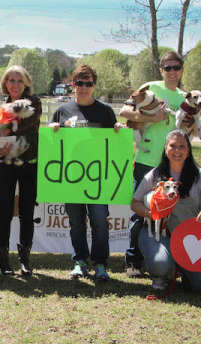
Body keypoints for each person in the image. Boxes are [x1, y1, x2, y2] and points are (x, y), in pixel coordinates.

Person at [50, 64, 125, 283]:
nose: (83, 88)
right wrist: (53, 130)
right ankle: (80, 261)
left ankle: (100, 264)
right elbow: (52, 147)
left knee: (100, 220)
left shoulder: (105, 111)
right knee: (75, 222)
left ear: (94, 85)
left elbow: (116, 144)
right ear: (73, 85)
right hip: (71, 176)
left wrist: (119, 130)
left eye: (88, 83)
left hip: (98, 179)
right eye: (79, 83)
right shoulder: (61, 111)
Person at [120, 51, 187, 276]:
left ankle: (164, 260)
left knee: (171, 212)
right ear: (161, 70)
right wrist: (151, 118)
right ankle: (133, 261)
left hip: (174, 165)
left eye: (176, 67)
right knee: (141, 211)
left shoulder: (186, 97)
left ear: (182, 69)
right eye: (167, 68)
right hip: (147, 162)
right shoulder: (150, 87)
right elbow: (124, 111)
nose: (172, 72)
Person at [131, 129, 201, 292]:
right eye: (173, 146)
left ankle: (184, 269)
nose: (177, 150)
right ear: (166, 149)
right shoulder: (155, 174)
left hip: (190, 238)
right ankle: (162, 274)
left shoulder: (198, 175)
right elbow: (135, 203)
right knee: (160, 264)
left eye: (182, 146)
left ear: (188, 150)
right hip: (160, 234)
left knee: (198, 287)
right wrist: (151, 214)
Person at [0, 65, 42, 276]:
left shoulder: (34, 103)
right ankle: (3, 258)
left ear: (26, 83)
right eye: (11, 80)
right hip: (6, 166)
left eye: (19, 80)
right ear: (5, 84)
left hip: (29, 164)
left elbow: (27, 125)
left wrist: (5, 128)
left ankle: (25, 258)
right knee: (5, 213)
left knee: (27, 213)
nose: (15, 84)